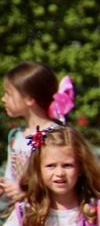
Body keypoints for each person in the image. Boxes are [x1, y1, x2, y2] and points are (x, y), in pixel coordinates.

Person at [1, 62, 73, 204]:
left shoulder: (56, 136)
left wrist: (26, 191)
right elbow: (12, 183)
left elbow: (63, 182)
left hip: (48, 220)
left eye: (9, 94)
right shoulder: (16, 137)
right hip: (21, 221)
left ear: (29, 99)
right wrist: (5, 189)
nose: (3, 99)